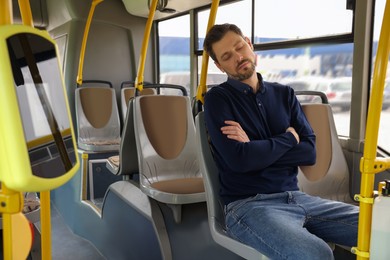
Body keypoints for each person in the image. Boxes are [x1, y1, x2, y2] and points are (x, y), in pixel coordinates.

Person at [203, 23, 359, 260]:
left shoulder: (285, 94)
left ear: (249, 44)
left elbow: (308, 153)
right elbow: (240, 160)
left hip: (297, 196)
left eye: (239, 47)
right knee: (316, 253)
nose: (238, 57)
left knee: (379, 227)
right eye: (226, 56)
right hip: (248, 206)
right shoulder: (217, 99)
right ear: (219, 65)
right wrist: (288, 138)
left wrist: (256, 147)